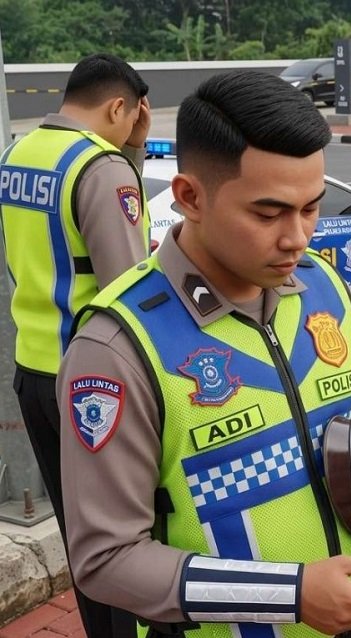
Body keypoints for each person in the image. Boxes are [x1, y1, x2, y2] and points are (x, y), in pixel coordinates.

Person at [58, 70, 351, 638]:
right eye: (268, 214)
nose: (297, 237)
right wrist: (290, 596)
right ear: (190, 197)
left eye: (311, 208)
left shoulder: (325, 288)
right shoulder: (118, 347)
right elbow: (106, 558)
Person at [0, 52, 151, 638]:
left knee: (79, 534)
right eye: (132, 117)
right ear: (118, 107)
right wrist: (130, 155)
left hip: (32, 370)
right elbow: (128, 287)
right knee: (122, 538)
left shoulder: (17, 155)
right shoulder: (101, 167)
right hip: (92, 384)